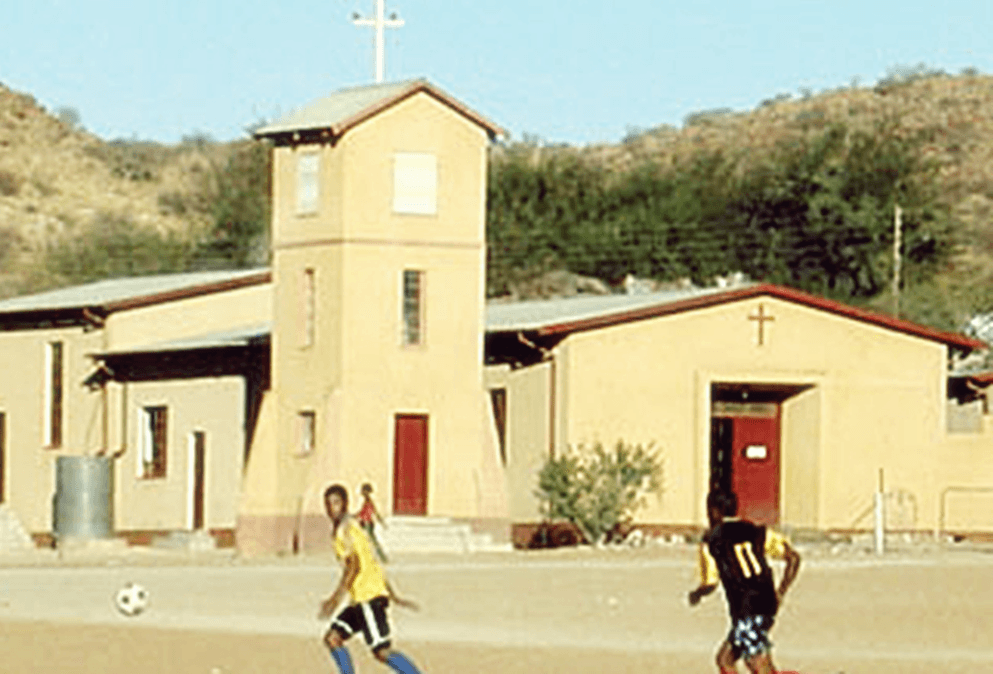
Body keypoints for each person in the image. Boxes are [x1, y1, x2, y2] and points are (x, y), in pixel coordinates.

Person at [687, 490, 801, 674]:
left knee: (757, 664)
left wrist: (696, 594)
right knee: (725, 659)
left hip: (746, 608)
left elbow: (710, 583)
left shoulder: (712, 541)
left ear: (714, 511)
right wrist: (780, 592)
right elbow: (793, 558)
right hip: (767, 603)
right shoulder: (757, 531)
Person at [319, 484, 423, 674]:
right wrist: (393, 595)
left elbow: (355, 565)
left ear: (345, 504)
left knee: (381, 651)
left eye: (336, 502)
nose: (331, 508)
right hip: (360, 599)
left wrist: (335, 599)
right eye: (328, 504)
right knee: (333, 638)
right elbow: (371, 562)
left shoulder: (346, 530)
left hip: (368, 598)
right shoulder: (350, 526)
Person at [357, 482, 389, 562]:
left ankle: (382, 557)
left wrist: (381, 522)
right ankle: (381, 557)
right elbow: (363, 512)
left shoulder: (368, 501)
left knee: (371, 541)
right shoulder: (366, 501)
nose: (361, 492)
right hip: (365, 523)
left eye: (363, 491)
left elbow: (372, 512)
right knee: (369, 540)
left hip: (367, 523)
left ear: (366, 492)